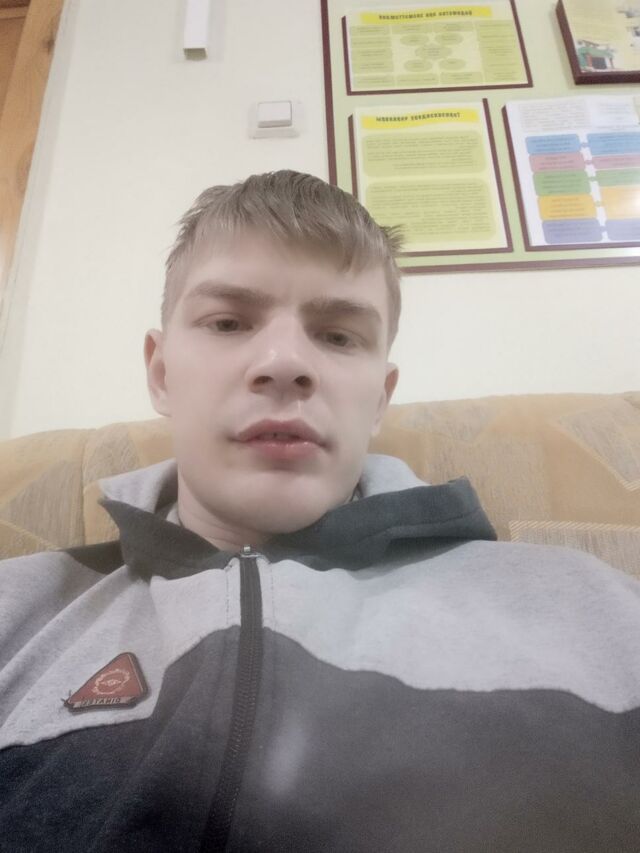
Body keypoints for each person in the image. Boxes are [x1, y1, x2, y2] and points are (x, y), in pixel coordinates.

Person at [1, 170, 639, 852]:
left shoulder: (599, 610)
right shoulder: (19, 611)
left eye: (337, 335)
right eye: (228, 322)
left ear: (380, 398)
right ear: (161, 373)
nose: (283, 363)